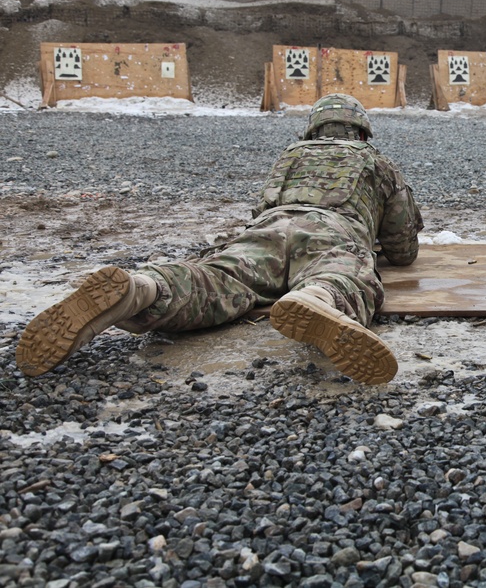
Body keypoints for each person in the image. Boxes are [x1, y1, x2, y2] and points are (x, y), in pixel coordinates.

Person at [16, 94, 423, 385]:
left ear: (313, 128)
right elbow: (402, 245)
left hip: (267, 229)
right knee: (343, 275)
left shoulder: (290, 155)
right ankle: (316, 298)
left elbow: (261, 206)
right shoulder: (377, 163)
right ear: (362, 130)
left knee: (220, 279)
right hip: (333, 231)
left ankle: (141, 289)